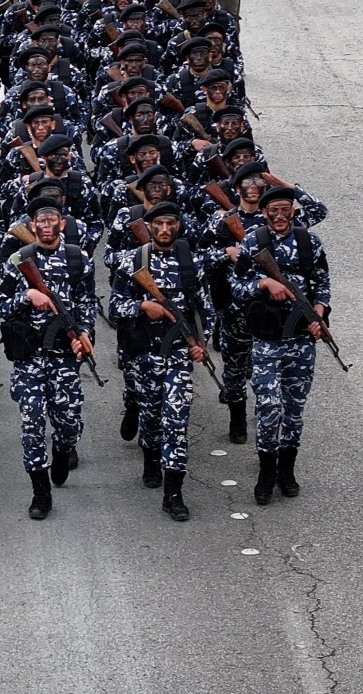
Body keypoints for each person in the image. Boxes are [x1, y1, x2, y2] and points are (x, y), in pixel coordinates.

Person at [110, 203, 213, 521]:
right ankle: (151, 458)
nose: (165, 229)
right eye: (159, 224)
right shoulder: (133, 260)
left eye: (170, 223)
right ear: (149, 227)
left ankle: (174, 495)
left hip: (179, 354)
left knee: (176, 422)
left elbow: (204, 308)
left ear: (178, 226)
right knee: (152, 418)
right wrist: (143, 307)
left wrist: (201, 343)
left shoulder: (190, 262)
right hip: (144, 354)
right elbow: (115, 307)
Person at [0, 201, 96, 519]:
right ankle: (41, 493)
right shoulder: (18, 260)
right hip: (29, 358)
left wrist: (85, 334)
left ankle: (63, 449)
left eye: (52, 219)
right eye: (41, 220)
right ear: (33, 225)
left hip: (65, 358)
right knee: (32, 425)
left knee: (68, 423)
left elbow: (87, 302)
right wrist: (27, 296)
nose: (47, 225)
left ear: (62, 224)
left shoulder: (78, 258)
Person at [233, 185, 332, 505]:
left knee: (293, 409)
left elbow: (322, 284)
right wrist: (264, 282)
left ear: (293, 211)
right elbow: (236, 285)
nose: (279, 216)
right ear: (264, 213)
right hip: (267, 339)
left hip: (301, 339)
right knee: (268, 405)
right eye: (273, 210)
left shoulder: (309, 242)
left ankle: (286, 471)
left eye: (285, 210)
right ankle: (266, 472)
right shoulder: (254, 242)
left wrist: (318, 315)